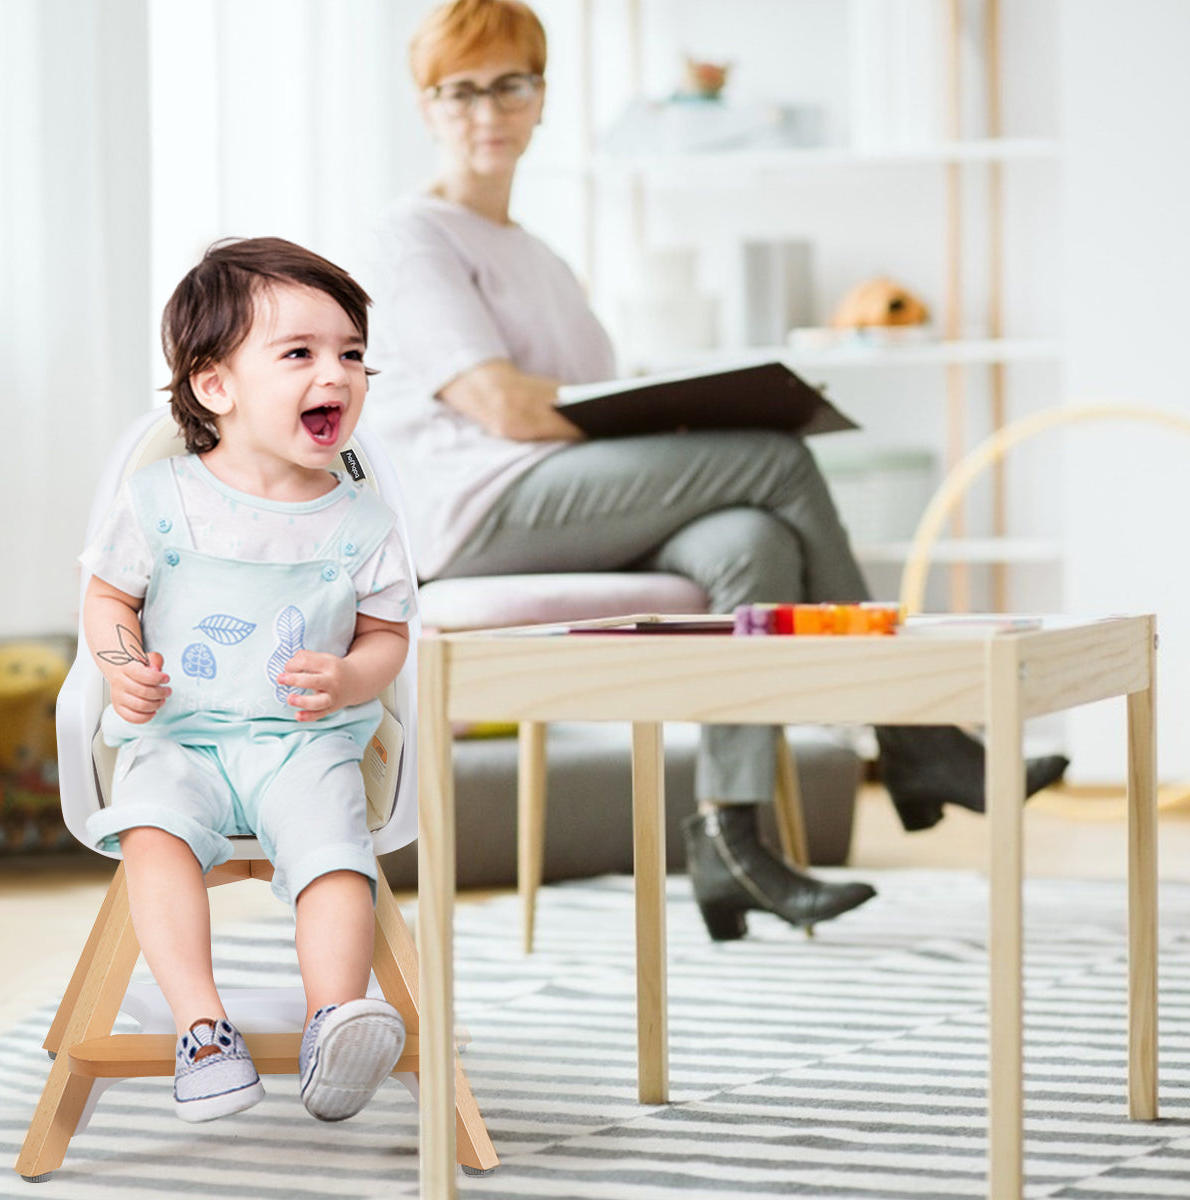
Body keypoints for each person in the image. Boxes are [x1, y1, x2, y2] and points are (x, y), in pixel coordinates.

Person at [363, 0, 1069, 942]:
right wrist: (682, 434)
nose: (488, 109)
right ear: (427, 107)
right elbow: (502, 406)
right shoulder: (413, 235)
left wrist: (676, 422)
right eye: (462, 91)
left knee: (755, 538)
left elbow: (592, 403)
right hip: (475, 510)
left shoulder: (543, 258)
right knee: (773, 458)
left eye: (512, 84)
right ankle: (914, 730)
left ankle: (729, 838)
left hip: (562, 500)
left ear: (542, 99)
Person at [80, 237, 415, 1123]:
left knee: (337, 858)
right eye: (300, 353)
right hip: (179, 739)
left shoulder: (361, 521)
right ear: (215, 386)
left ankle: (334, 1019)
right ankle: (203, 1030)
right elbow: (109, 598)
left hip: (302, 744)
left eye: (352, 354)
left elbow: (389, 637)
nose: (336, 374)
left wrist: (350, 677)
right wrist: (122, 669)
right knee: (153, 834)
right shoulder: (164, 500)